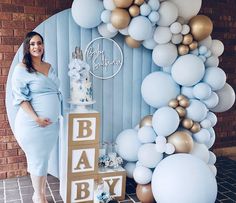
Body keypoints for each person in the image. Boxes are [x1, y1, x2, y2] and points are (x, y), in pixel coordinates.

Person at [11, 31, 62, 203]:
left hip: (50, 126)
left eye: (39, 43)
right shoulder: (22, 69)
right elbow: (20, 98)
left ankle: (39, 193)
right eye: (32, 44)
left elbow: (56, 91)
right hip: (33, 125)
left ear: (43, 46)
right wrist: (36, 118)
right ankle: (40, 197)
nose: (36, 47)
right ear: (27, 47)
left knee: (43, 159)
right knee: (37, 160)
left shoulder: (48, 66)